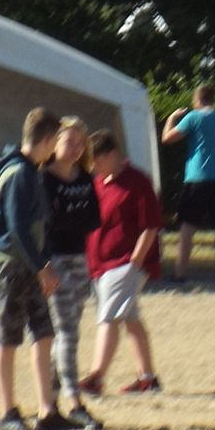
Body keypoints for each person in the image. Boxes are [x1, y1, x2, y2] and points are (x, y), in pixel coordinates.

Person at [0, 108, 74, 430]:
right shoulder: (20, 173)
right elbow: (18, 227)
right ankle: (7, 413)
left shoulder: (29, 170)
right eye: (56, 141)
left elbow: (36, 228)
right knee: (9, 338)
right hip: (10, 265)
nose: (56, 149)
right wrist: (42, 268)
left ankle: (47, 410)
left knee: (43, 332)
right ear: (47, 139)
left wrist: (43, 263)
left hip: (30, 264)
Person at [79, 131, 163, 397]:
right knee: (130, 318)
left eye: (97, 161)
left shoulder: (137, 181)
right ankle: (147, 378)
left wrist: (135, 261)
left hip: (124, 263)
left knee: (109, 317)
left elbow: (151, 225)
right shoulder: (98, 183)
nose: (94, 167)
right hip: (100, 264)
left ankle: (96, 377)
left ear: (113, 155)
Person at [41, 118, 104, 430]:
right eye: (70, 142)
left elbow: (93, 218)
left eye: (81, 143)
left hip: (79, 258)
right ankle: (75, 401)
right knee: (67, 331)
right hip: (55, 260)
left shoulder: (85, 177)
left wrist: (68, 215)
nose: (77, 148)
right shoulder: (44, 179)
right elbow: (47, 222)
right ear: (54, 144)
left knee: (66, 330)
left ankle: (50, 402)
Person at [161, 83, 215, 287]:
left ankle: (180, 272)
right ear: (213, 98)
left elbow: (167, 139)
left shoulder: (193, 118)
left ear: (197, 99)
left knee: (188, 226)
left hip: (197, 178)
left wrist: (171, 118)